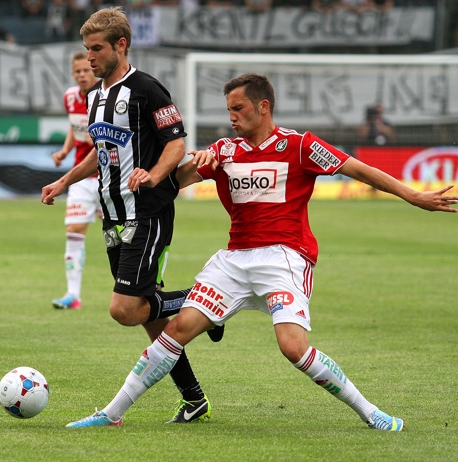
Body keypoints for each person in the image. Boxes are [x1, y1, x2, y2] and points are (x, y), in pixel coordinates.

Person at [64, 72, 458, 429]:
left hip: (285, 257)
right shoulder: (223, 151)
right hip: (235, 260)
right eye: (228, 110)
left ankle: (371, 412)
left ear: (263, 106)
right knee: (176, 332)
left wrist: (412, 195)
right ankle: (111, 414)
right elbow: (167, 186)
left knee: (292, 347)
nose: (232, 116)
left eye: (239, 108)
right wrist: (181, 168)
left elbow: (357, 169)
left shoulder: (300, 146)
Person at [42, 7, 218, 425]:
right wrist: (64, 180)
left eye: (97, 48)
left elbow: (176, 144)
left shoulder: (148, 90)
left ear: (121, 45)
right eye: (86, 50)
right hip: (112, 216)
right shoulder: (94, 96)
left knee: (125, 308)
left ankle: (210, 303)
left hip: (149, 212)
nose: (90, 59)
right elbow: (99, 152)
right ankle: (194, 399)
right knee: (151, 319)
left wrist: (153, 174)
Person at [50, 51, 100, 310]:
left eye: (86, 70)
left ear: (94, 70)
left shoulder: (105, 97)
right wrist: (64, 151)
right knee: (74, 232)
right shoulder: (70, 97)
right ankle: (73, 295)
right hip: (81, 176)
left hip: (109, 177)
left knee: (123, 234)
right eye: (77, 71)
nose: (82, 75)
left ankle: (136, 289)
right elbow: (74, 126)